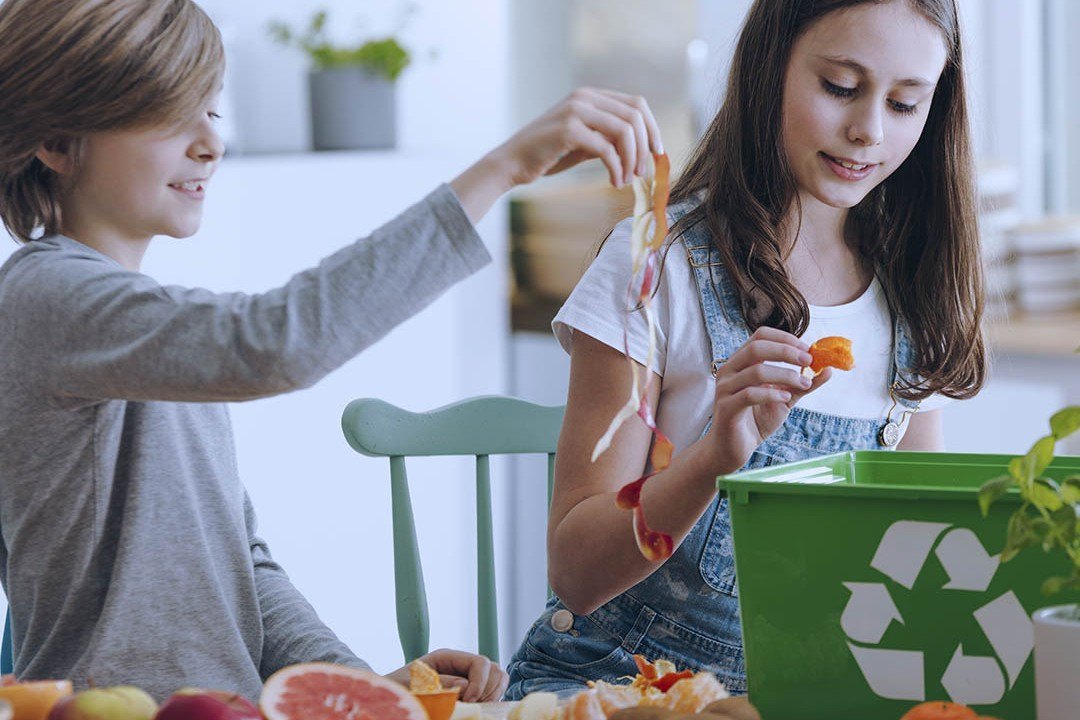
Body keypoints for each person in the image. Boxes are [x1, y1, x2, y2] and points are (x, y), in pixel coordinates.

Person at [0, 0, 663, 702]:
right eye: (169, 114)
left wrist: (358, 683)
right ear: (57, 140)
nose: (209, 144)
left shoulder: (141, 325)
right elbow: (276, 343)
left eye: (213, 113)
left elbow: (242, 568)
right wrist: (504, 167)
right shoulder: (47, 299)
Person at [505, 0, 985, 699]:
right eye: (841, 88)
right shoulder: (657, 267)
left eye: (906, 103)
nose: (867, 131)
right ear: (770, 67)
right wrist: (713, 460)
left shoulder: (915, 295)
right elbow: (576, 573)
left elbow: (920, 560)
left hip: (805, 699)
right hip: (619, 693)